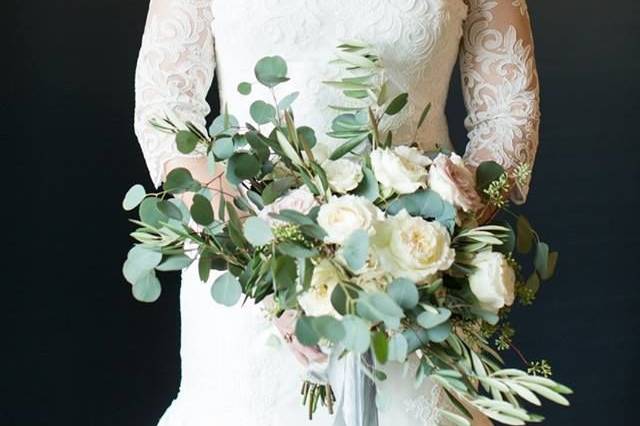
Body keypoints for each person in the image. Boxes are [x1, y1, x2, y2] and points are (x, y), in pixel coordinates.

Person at [133, 1, 540, 424]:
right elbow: (167, 105)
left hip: (416, 276)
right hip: (245, 263)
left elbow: (507, 119)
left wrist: (429, 240)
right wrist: (265, 265)